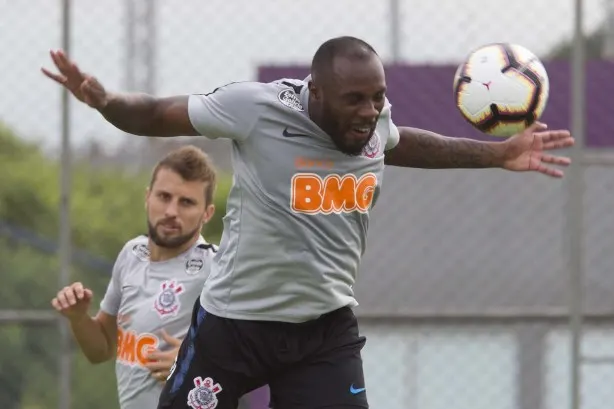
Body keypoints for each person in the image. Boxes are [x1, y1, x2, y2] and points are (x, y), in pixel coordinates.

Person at [43, 36, 574, 409]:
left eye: (377, 97)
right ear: (314, 94)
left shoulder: (373, 125)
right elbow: (156, 113)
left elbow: (403, 142)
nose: (370, 111)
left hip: (322, 330)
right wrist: (105, 101)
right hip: (234, 325)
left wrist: (497, 155)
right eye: (355, 99)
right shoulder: (256, 110)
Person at [50, 146, 219, 409]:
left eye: (186, 202)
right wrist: (78, 317)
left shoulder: (216, 267)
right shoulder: (131, 254)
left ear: (207, 213)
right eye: (164, 196)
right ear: (148, 197)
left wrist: (196, 361)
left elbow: (263, 348)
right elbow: (101, 350)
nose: (171, 211)